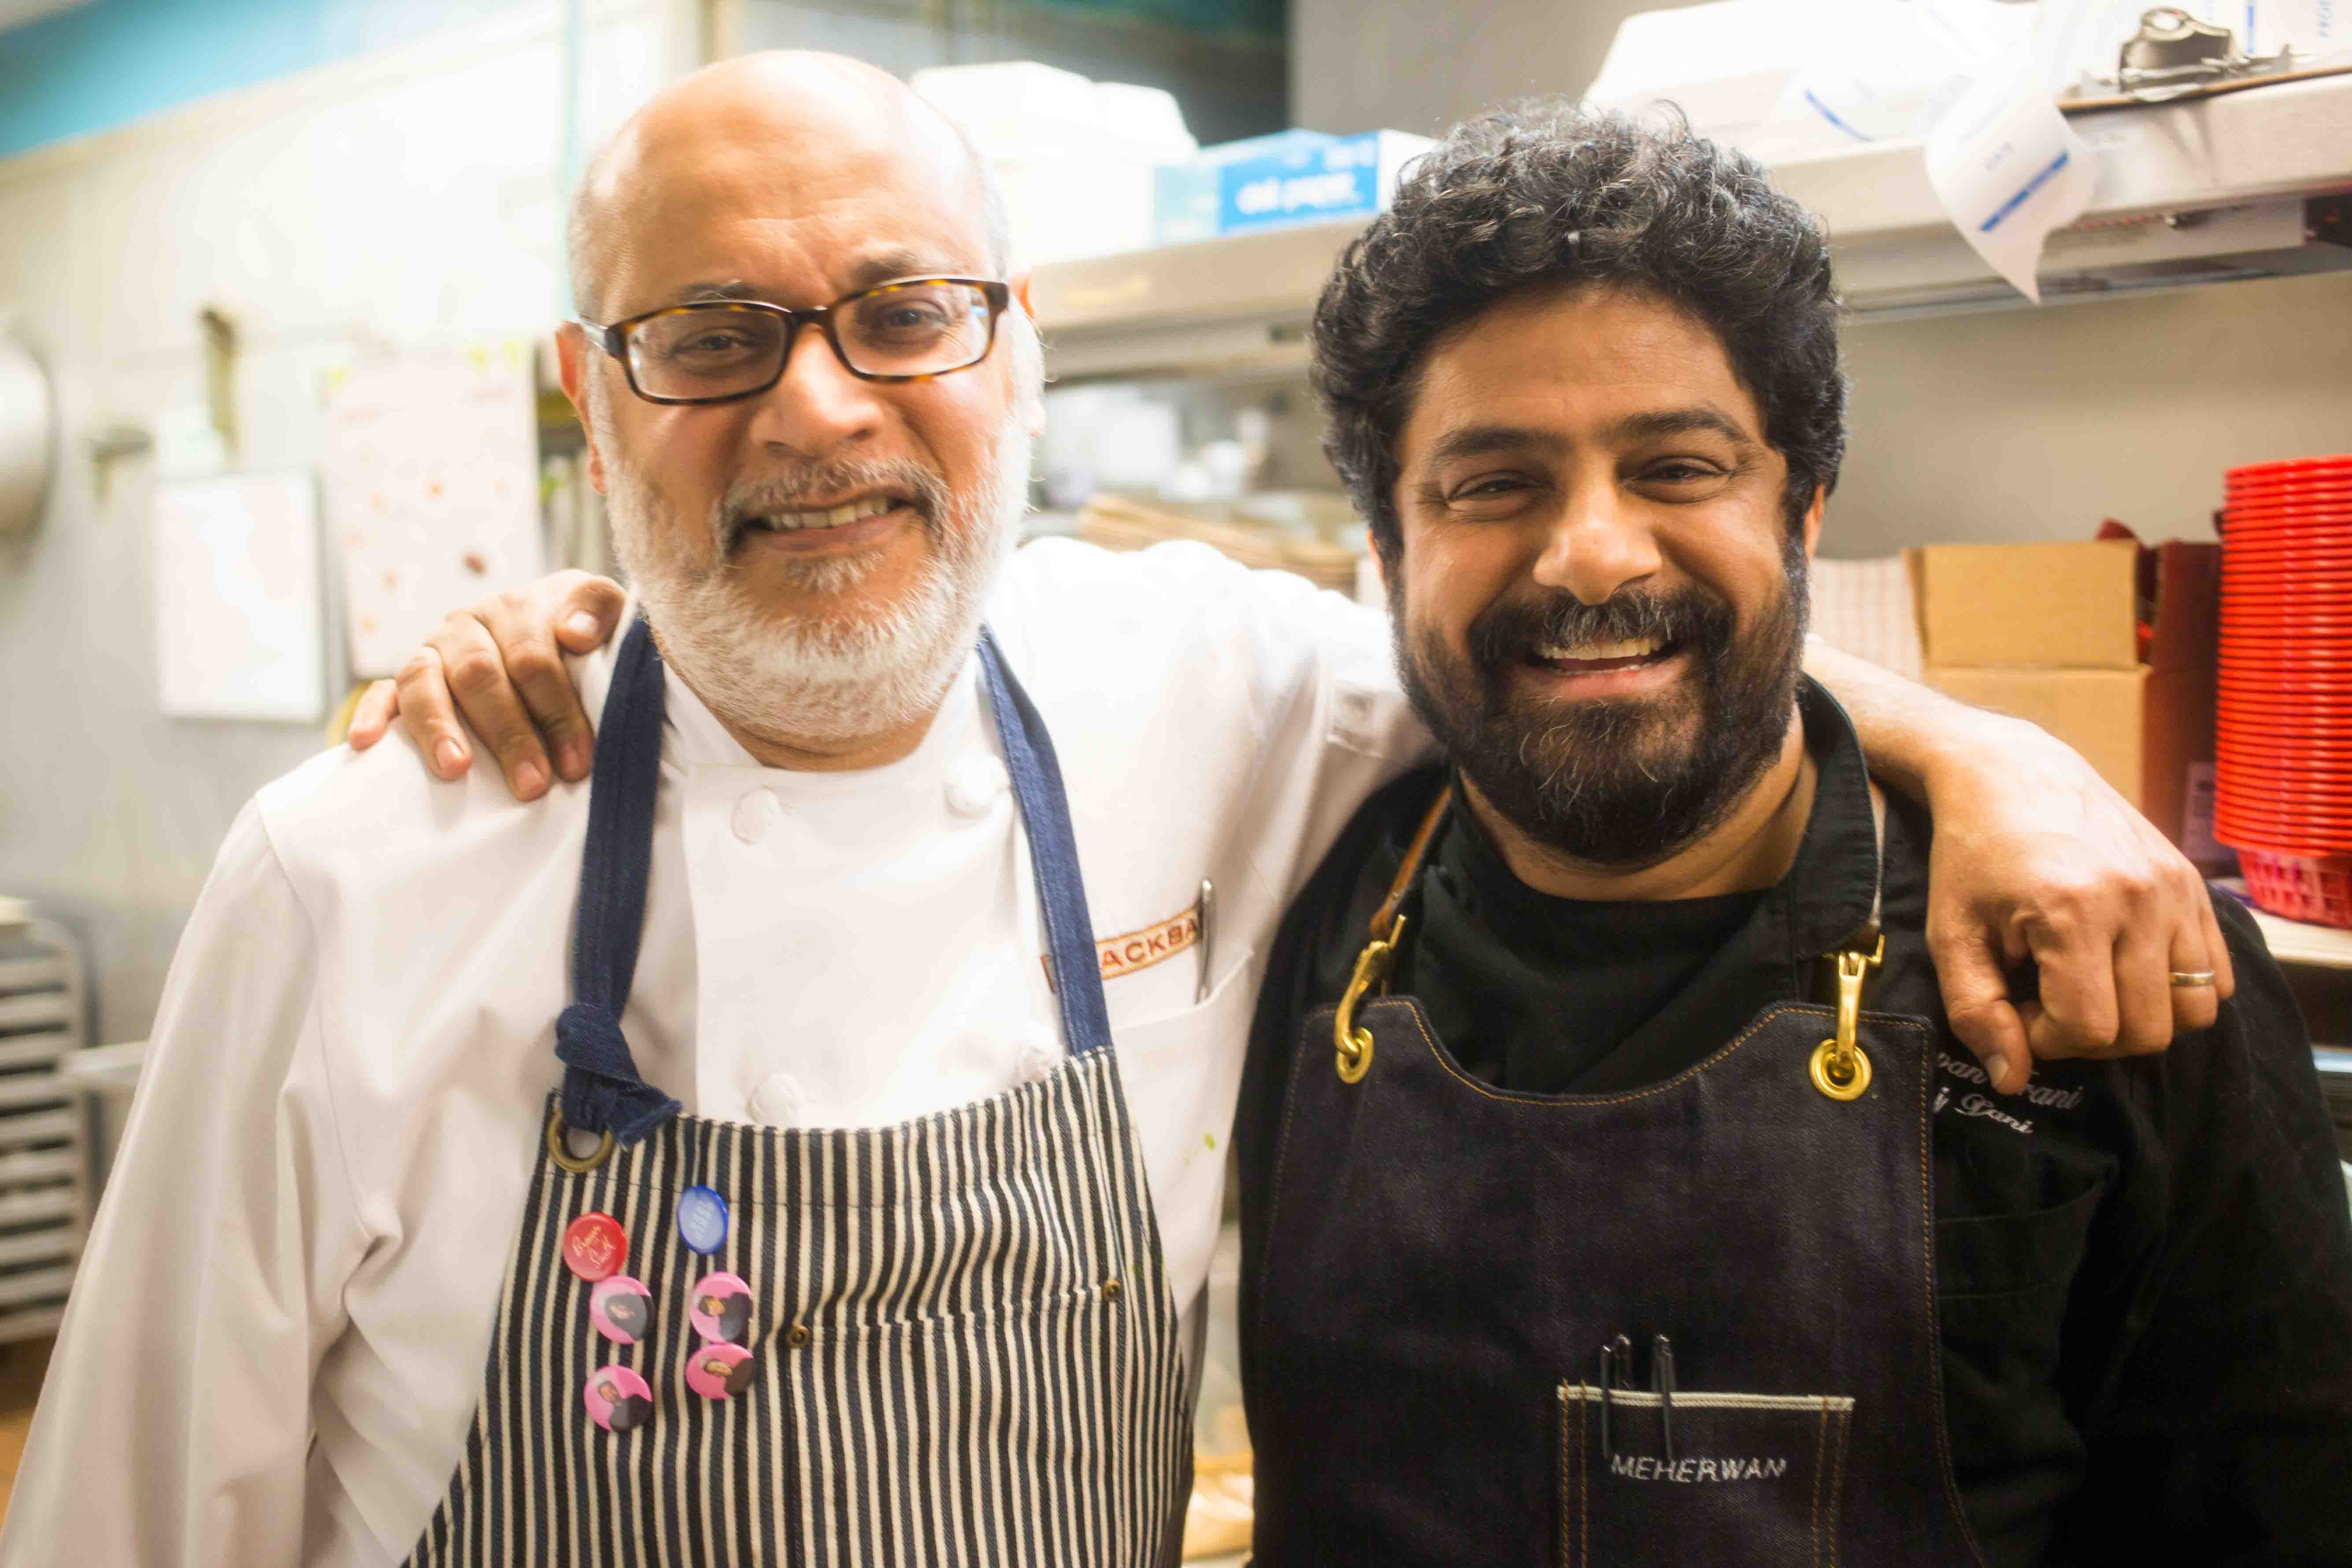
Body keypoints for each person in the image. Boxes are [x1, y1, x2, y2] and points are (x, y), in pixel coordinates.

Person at [1, 50, 2231, 1568]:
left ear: (1020, 355)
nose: (819, 407)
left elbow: (1588, 633)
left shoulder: (1194, 684)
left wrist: (1987, 749)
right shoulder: (357, 873)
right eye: (711, 334)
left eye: (902, 313)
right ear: (595, 399)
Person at [1229, 101, 2352, 1565]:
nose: (1592, 556)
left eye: (1676, 469)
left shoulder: (2102, 965)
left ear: (1804, 513)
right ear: (1387, 548)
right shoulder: (1292, 894)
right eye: (1493, 484)